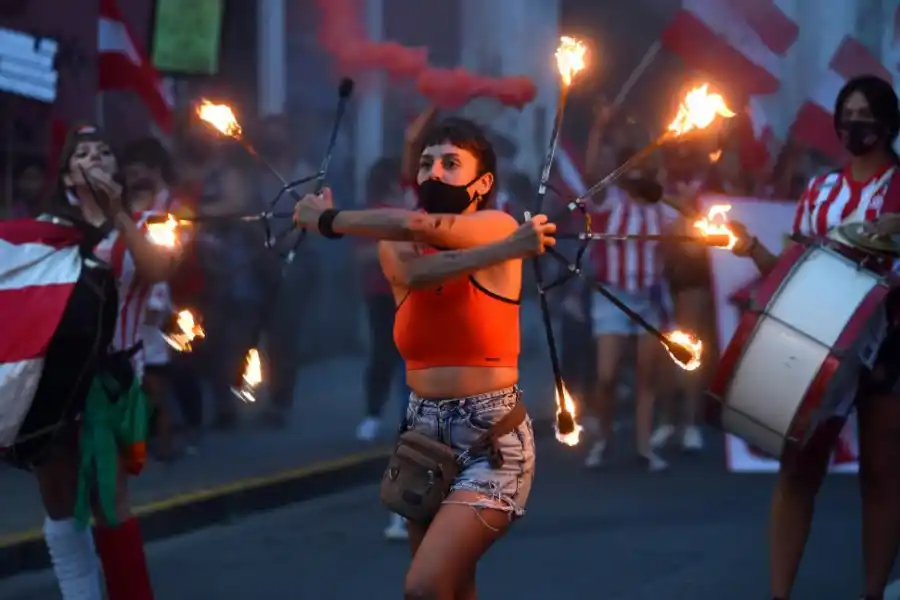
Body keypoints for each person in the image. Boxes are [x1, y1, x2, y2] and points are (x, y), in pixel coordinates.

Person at [292, 117, 554, 599]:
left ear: (483, 183)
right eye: (428, 163)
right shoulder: (404, 241)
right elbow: (419, 265)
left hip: (492, 436)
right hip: (421, 433)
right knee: (453, 587)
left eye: (451, 164)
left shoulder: (496, 223)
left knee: (425, 586)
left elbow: (418, 224)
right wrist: (508, 250)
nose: (434, 172)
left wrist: (327, 220)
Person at [729, 75, 900, 600]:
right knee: (798, 471)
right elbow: (791, 269)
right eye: (847, 114)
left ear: (889, 123)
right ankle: (778, 594)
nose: (855, 124)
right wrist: (753, 249)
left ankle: (873, 592)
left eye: (866, 114)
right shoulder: (820, 191)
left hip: (890, 344)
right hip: (819, 345)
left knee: (881, 473)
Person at [23, 125, 178, 600]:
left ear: (116, 169)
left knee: (109, 504)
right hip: (50, 384)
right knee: (60, 505)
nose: (94, 157)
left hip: (109, 384)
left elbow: (155, 270)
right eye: (83, 153)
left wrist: (116, 213)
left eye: (104, 151)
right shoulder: (46, 233)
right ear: (69, 176)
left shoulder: (149, 221)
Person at [582, 147, 670, 472]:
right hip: (612, 297)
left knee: (648, 376)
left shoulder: (661, 208)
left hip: (649, 299)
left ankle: (644, 446)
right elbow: (592, 177)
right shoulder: (610, 200)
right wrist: (599, 135)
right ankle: (603, 438)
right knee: (607, 377)